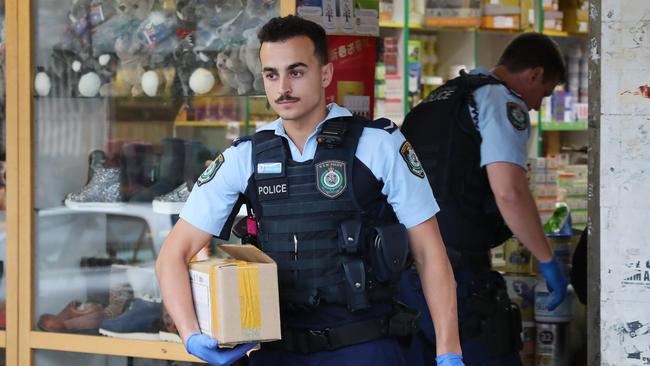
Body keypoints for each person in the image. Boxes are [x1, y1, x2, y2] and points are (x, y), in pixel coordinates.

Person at [156, 15, 465, 366]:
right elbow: (173, 255)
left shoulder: (378, 146)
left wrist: (449, 351)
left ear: (326, 74)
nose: (283, 87)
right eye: (272, 74)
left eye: (296, 72)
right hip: (277, 353)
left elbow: (430, 254)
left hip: (364, 349)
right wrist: (190, 334)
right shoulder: (245, 158)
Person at [398, 32, 569, 366]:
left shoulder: (438, 99)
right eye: (544, 94)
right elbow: (509, 191)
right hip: (458, 275)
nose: (536, 105)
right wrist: (547, 259)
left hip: (407, 274)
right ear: (533, 74)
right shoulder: (501, 102)